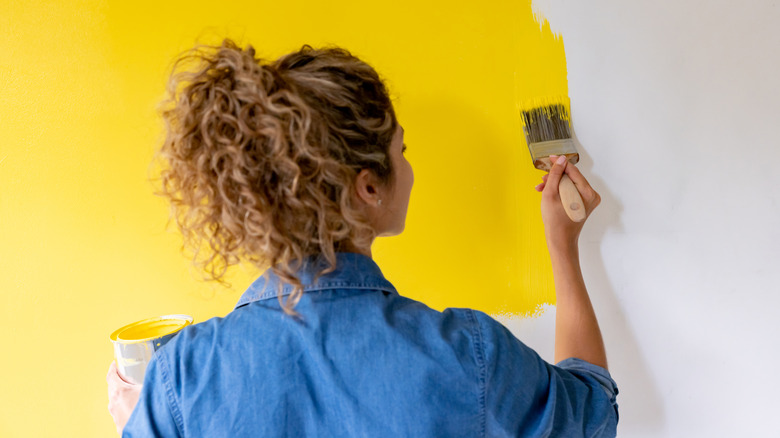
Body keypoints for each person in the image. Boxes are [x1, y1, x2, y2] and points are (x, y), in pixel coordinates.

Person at [107, 38, 618, 437]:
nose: (409, 167)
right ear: (369, 186)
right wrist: (563, 248)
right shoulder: (468, 356)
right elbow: (592, 413)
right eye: (402, 149)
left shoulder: (182, 376)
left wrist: (144, 417)